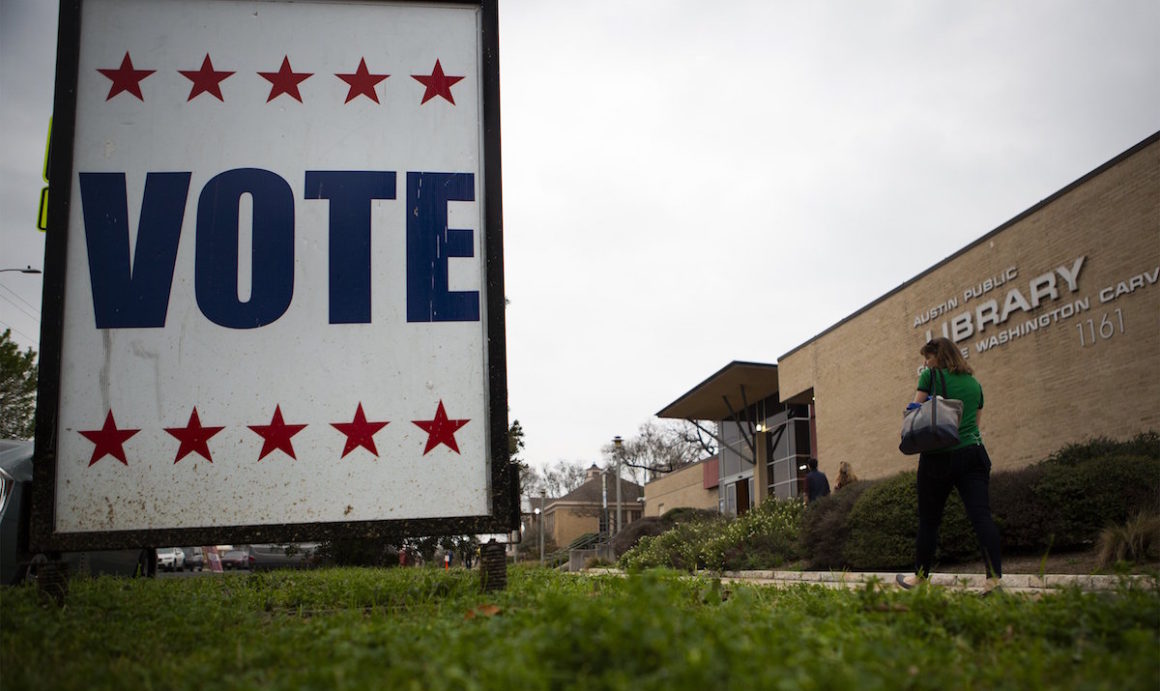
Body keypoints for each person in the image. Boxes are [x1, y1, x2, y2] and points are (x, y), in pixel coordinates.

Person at [897, 337, 1003, 593]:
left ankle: (920, 578)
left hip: (938, 457)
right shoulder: (974, 384)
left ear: (939, 356)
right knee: (981, 516)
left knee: (929, 520)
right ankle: (994, 580)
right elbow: (974, 425)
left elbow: (915, 412)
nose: (925, 363)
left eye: (928, 357)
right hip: (973, 454)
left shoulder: (929, 377)